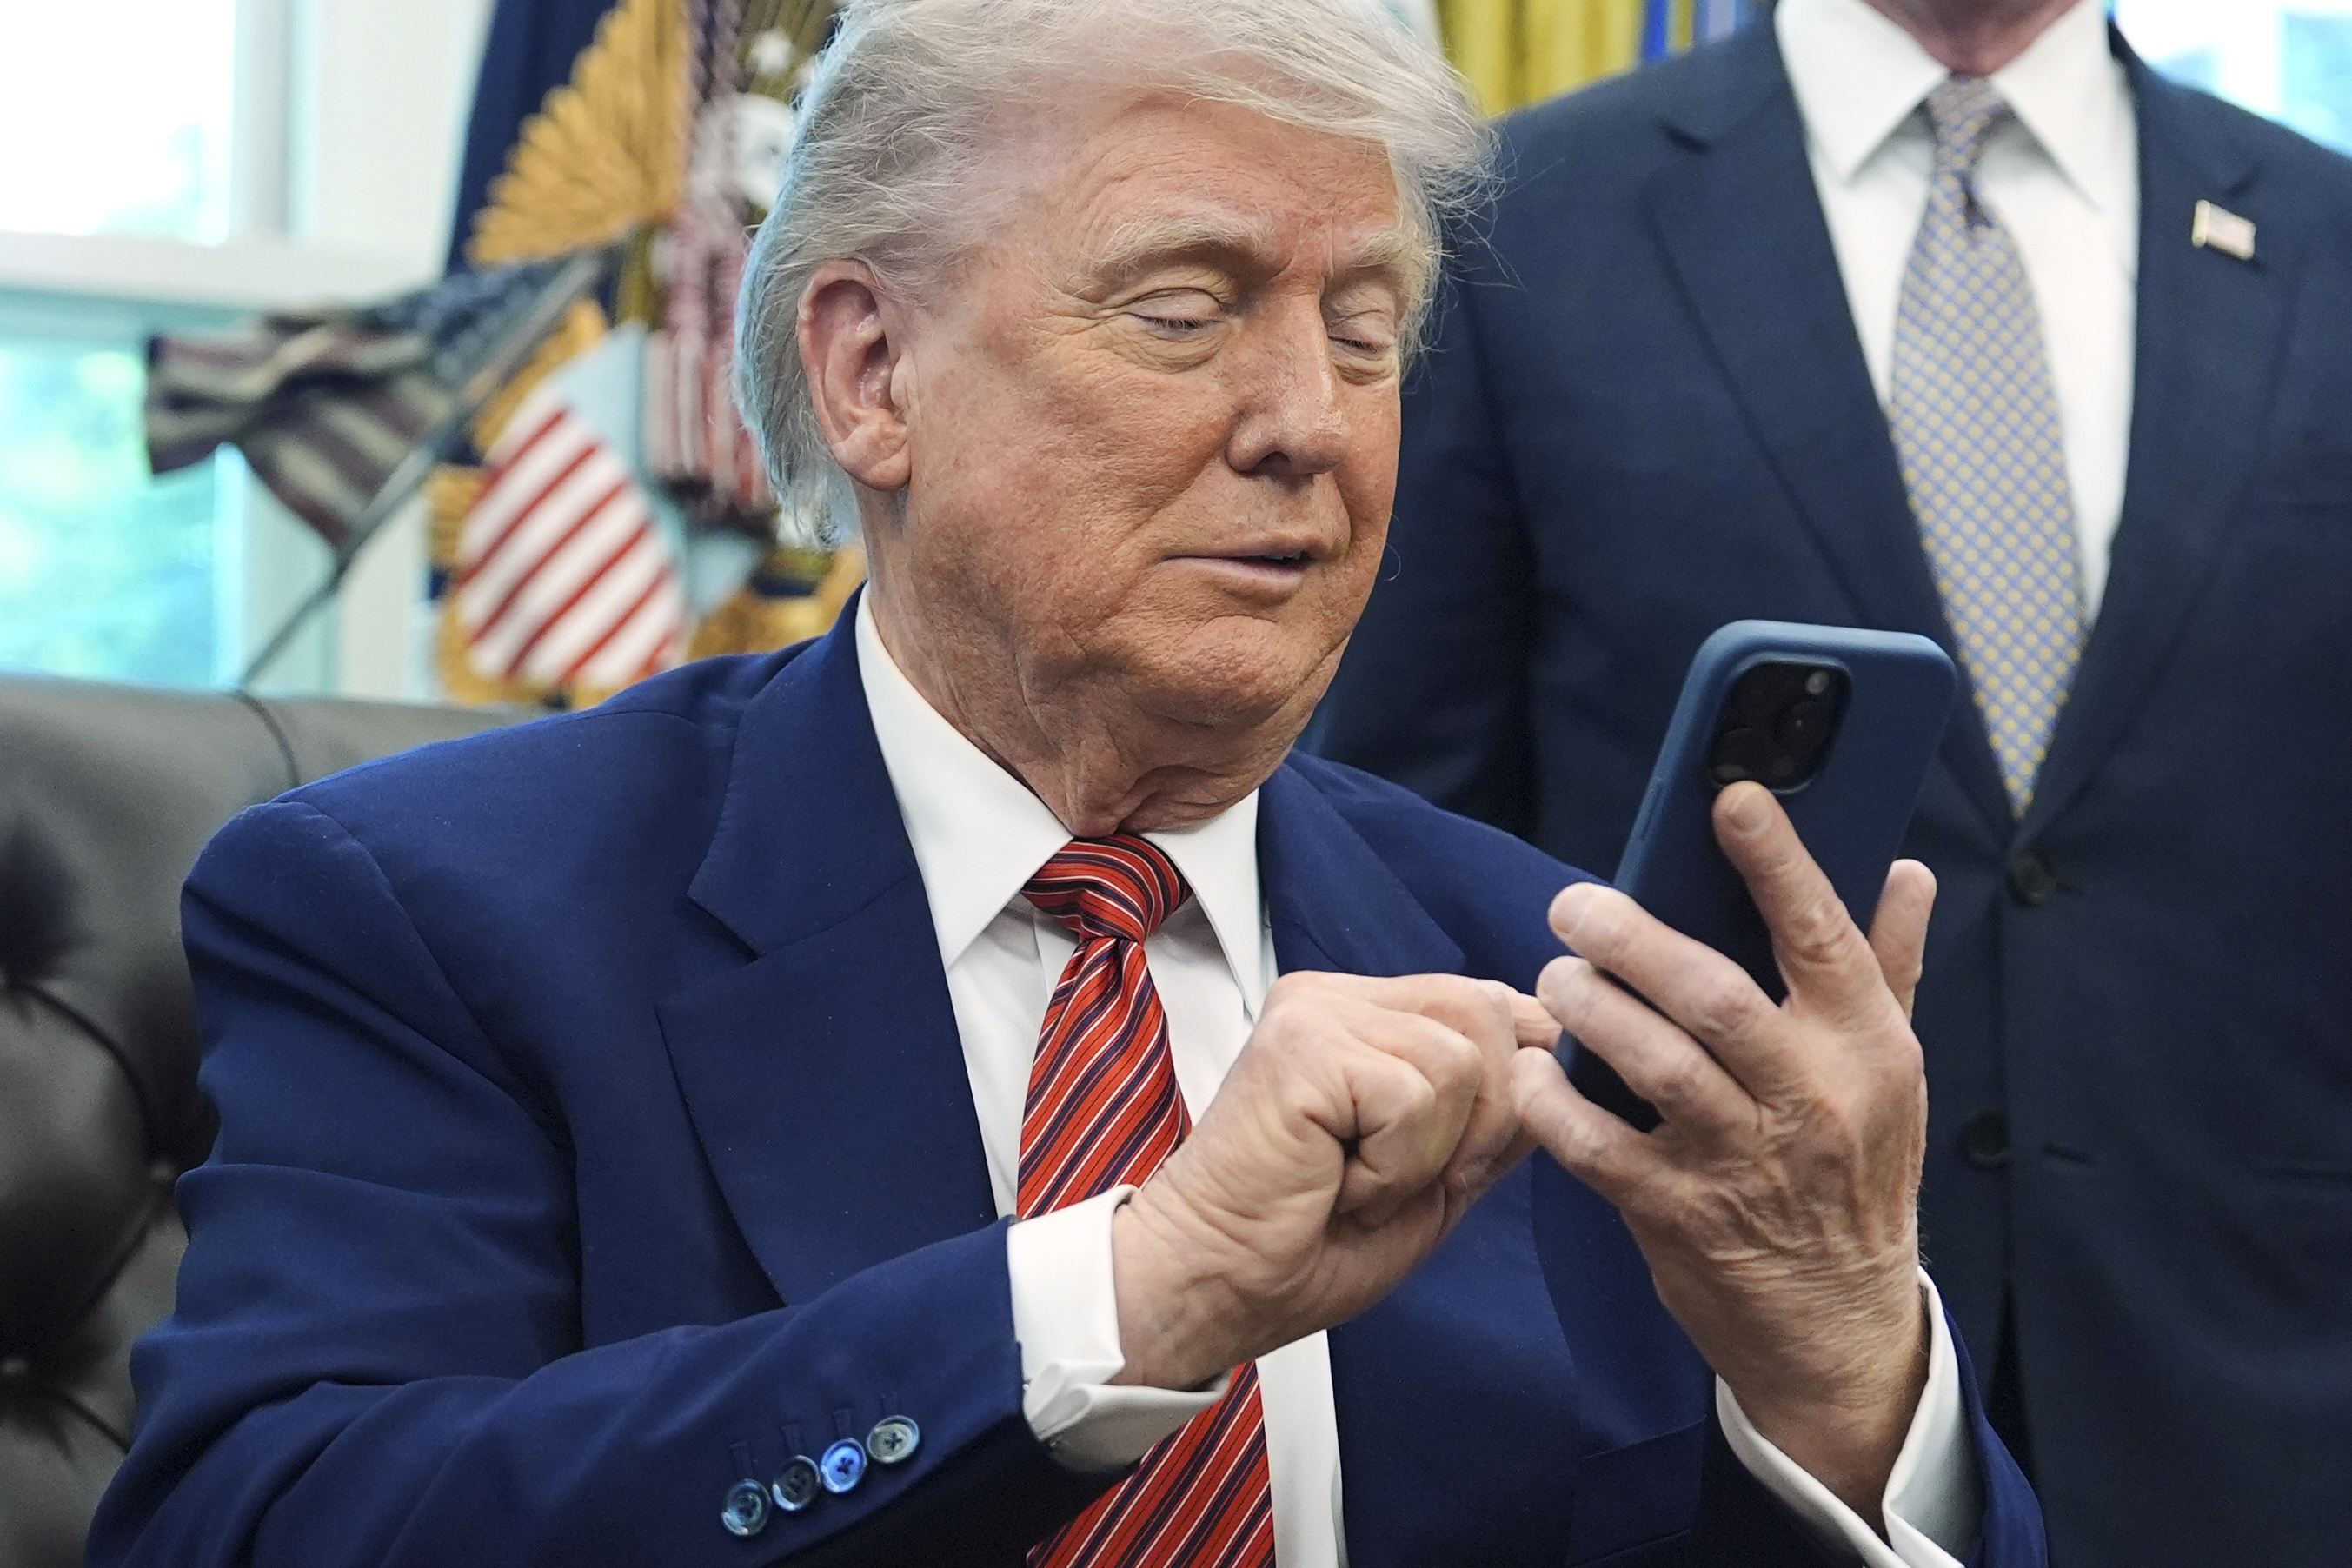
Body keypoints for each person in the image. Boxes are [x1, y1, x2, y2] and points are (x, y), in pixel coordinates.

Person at [88, 3, 2044, 1565]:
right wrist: (1136, 1289)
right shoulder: (434, 909)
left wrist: (1847, 1385)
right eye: (1184, 312)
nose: (1306, 426)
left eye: (1366, 334)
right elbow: (262, 1526)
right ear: (870, 371)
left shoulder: (1558, 985)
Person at [1312, 0, 2352, 1564]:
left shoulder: (2327, 236)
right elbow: (1402, 828)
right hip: (1673, 1375)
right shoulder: (1516, 221)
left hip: (2258, 1377)